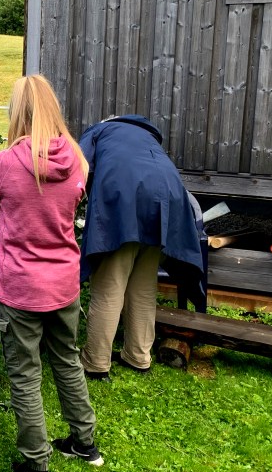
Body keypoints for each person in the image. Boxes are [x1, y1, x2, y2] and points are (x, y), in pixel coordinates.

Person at [0, 75, 102, 472]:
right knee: (67, 361)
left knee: (25, 374)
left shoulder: (8, 161)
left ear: (17, 113)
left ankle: (37, 467)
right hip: (63, 281)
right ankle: (85, 443)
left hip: (20, 284)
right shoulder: (77, 158)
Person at [78, 115, 205, 378]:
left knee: (110, 286)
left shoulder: (100, 131)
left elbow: (79, 167)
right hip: (167, 200)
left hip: (125, 199)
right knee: (143, 286)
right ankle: (138, 357)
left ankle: (96, 363)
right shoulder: (147, 135)